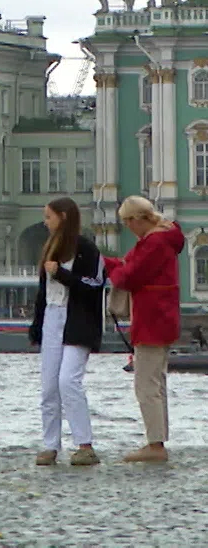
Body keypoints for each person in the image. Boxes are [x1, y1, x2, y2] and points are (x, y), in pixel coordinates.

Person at [103, 195, 184, 462]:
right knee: (156, 382)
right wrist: (111, 264)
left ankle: (155, 444)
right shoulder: (164, 238)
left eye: (127, 222)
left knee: (146, 384)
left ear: (137, 219)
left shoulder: (154, 242)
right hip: (162, 317)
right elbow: (131, 267)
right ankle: (157, 439)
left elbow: (130, 275)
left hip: (152, 319)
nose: (127, 227)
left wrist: (106, 266)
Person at [28, 196, 105, 466]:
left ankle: (85, 444)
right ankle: (50, 444)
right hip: (51, 318)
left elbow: (95, 286)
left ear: (63, 216)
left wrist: (62, 274)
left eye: (49, 216)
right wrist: (36, 326)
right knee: (49, 386)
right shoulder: (49, 248)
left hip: (78, 322)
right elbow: (43, 293)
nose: (45, 222)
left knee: (68, 381)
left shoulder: (86, 249)